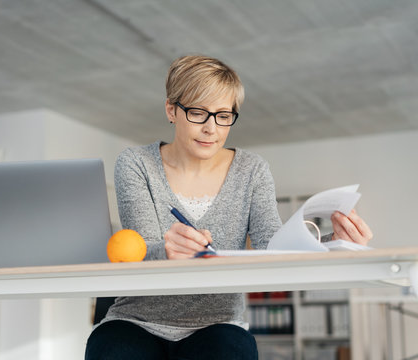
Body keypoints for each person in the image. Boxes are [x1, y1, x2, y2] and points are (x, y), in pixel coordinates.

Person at [85, 55, 372, 360]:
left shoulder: (252, 170)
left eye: (223, 115)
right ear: (171, 110)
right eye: (198, 113)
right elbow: (136, 253)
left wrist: (336, 244)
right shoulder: (136, 164)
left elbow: (274, 248)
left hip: (218, 324)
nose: (212, 128)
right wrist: (166, 250)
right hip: (136, 322)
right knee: (110, 350)